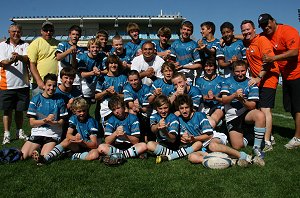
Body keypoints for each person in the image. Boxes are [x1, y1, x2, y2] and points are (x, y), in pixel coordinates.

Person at [258, 13, 300, 149]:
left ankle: (298, 138)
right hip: (287, 76)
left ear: (273, 21)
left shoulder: (288, 31)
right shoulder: (266, 35)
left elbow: (294, 52)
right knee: (292, 108)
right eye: (263, 26)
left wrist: (273, 59)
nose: (266, 27)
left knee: (298, 107)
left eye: (267, 23)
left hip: (298, 74)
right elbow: (251, 36)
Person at [240, 19, 280, 152]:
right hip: (258, 80)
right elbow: (243, 37)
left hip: (268, 78)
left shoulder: (262, 40)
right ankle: (268, 136)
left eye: (248, 29)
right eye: (243, 30)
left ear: (254, 30)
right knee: (259, 109)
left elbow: (269, 61)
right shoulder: (249, 42)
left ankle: (267, 141)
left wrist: (258, 77)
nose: (246, 32)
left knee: (265, 110)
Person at [32, 97, 99, 165]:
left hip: (88, 146)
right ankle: (46, 159)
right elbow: (68, 134)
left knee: (94, 155)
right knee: (67, 140)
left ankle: (73, 155)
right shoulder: (73, 118)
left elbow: (94, 144)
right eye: (79, 111)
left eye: (84, 111)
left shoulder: (91, 122)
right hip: (79, 144)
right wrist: (75, 138)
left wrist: (82, 142)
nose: (82, 113)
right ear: (74, 111)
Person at [221, 60, 266, 159]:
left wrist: (241, 100)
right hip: (232, 115)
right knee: (237, 146)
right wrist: (234, 95)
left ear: (246, 70)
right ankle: (249, 134)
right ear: (233, 71)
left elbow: (252, 106)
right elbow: (224, 100)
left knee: (260, 115)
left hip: (246, 113)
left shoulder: (251, 83)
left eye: (243, 71)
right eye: (237, 71)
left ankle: (256, 147)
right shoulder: (226, 81)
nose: (240, 74)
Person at [20, 73, 68, 160]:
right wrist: (45, 121)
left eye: (54, 86)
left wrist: (53, 123)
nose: (51, 88)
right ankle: (39, 148)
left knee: (45, 156)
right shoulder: (35, 99)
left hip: (53, 133)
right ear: (44, 86)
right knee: (23, 156)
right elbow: (32, 123)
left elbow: (61, 122)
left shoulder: (60, 101)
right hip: (38, 132)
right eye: (49, 85)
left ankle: (50, 150)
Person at [0, 23, 29, 144]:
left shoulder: (25, 44)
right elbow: (2, 62)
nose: (16, 33)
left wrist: (19, 57)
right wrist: (13, 59)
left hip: (22, 83)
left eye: (18, 31)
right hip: (7, 84)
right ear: (9, 32)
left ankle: (19, 131)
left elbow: (27, 58)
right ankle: (7, 134)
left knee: (19, 110)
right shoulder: (2, 46)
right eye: (13, 31)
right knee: (7, 111)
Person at [97, 95, 147, 159]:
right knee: (101, 147)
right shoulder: (110, 120)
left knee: (144, 146)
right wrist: (115, 134)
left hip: (131, 145)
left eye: (118, 108)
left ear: (124, 107)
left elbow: (136, 141)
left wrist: (125, 136)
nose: (116, 112)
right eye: (113, 109)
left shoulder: (133, 118)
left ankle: (119, 155)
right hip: (116, 146)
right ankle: (126, 154)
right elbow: (107, 141)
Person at [27, 21, 59, 96]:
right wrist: (39, 81)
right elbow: (32, 64)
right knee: (39, 106)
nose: (48, 32)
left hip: (54, 83)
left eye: (50, 30)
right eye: (45, 30)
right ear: (41, 31)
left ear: (53, 31)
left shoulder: (58, 43)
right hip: (40, 83)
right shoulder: (35, 43)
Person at [95, 55, 127, 128]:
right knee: (108, 132)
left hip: (120, 105)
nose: (113, 65)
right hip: (106, 107)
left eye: (115, 63)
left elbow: (127, 95)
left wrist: (115, 94)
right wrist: (106, 92)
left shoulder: (123, 78)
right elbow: (96, 96)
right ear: (107, 65)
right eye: (111, 63)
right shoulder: (102, 78)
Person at [123, 70, 152, 141]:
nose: (133, 82)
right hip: (136, 111)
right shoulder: (127, 88)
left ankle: (146, 137)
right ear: (128, 81)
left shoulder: (146, 88)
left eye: (135, 80)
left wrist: (140, 108)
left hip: (147, 112)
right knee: (131, 112)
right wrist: (135, 107)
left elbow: (146, 109)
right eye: (131, 80)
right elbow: (130, 104)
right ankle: (134, 137)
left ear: (139, 79)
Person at [195, 59, 224, 128]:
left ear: (215, 67)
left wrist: (215, 98)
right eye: (206, 66)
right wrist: (204, 97)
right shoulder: (198, 80)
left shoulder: (222, 80)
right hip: (204, 106)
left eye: (211, 66)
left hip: (218, 106)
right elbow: (197, 96)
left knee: (212, 123)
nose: (208, 68)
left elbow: (225, 98)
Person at [77, 38, 106, 103]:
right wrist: (93, 73)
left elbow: (107, 70)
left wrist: (100, 71)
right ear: (88, 48)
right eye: (92, 47)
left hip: (96, 86)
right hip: (84, 86)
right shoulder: (83, 57)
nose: (95, 49)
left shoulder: (102, 56)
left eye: (97, 47)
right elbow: (82, 74)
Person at [55, 67, 81, 140]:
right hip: (58, 121)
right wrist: (67, 106)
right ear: (60, 79)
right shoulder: (55, 92)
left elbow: (82, 108)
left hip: (73, 121)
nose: (68, 80)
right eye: (66, 78)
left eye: (71, 78)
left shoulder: (77, 92)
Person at [56, 25, 84, 90]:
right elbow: (58, 57)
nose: (75, 36)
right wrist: (69, 50)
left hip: (75, 80)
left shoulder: (81, 50)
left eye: (77, 34)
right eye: (73, 34)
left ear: (79, 36)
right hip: (63, 80)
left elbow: (74, 66)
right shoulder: (62, 44)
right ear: (69, 35)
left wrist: (73, 55)